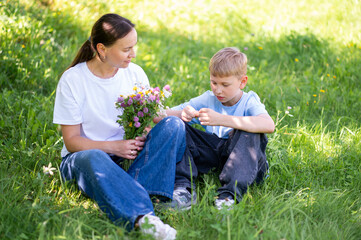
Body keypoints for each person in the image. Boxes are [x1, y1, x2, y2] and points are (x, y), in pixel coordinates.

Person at [53, 13, 186, 240]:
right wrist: (115, 147)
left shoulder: (134, 73)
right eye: (126, 49)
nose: (133, 54)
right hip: (85, 158)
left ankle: (126, 191)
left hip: (126, 155)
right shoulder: (73, 80)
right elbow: (72, 141)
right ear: (102, 50)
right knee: (93, 157)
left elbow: (148, 118)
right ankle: (144, 217)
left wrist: (152, 130)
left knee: (173, 125)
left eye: (134, 47)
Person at [162, 47, 275, 210]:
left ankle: (229, 195)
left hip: (248, 164)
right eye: (214, 82)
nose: (218, 90)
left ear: (242, 82)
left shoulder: (249, 101)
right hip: (216, 156)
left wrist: (222, 119)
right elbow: (162, 115)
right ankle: (183, 189)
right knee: (178, 125)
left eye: (225, 84)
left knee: (250, 130)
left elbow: (268, 125)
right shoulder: (208, 98)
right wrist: (182, 113)